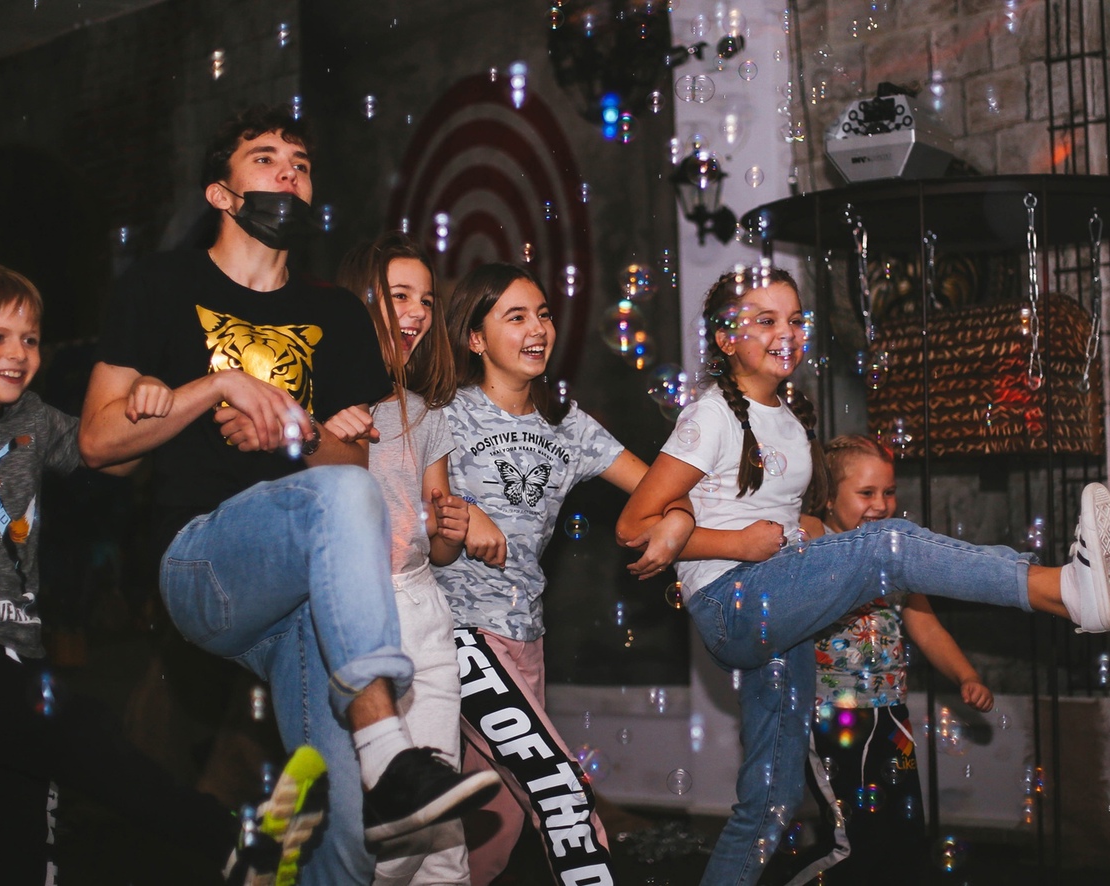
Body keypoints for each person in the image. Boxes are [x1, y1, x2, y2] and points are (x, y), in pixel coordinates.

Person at [77, 105, 497, 886]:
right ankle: (391, 752)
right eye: (265, 158)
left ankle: (374, 779)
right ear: (221, 193)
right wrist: (217, 387)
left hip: (304, 595)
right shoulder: (161, 286)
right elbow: (97, 444)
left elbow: (352, 458)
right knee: (338, 496)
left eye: (300, 164)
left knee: (350, 843)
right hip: (200, 560)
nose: (289, 173)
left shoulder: (333, 314)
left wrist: (290, 435)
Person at [616, 265, 1110, 886]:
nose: (787, 332)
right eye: (765, 320)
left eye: (795, 319)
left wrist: (791, 541)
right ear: (725, 339)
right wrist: (734, 543)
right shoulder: (711, 416)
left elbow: (781, 520)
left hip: (781, 612)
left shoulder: (785, 418)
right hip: (735, 602)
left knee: (772, 800)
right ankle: (1062, 590)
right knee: (889, 543)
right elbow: (634, 524)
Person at [0, 262, 267, 885]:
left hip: (17, 657)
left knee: (20, 849)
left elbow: (112, 457)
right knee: (80, 728)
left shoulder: (34, 420)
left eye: (30, 339)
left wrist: (145, 397)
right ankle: (225, 838)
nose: (19, 352)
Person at [435, 261, 689, 886]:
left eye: (544, 314)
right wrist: (459, 511)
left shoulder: (568, 426)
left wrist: (678, 518)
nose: (538, 329)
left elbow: (660, 488)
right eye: (516, 316)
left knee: (491, 833)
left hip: (526, 637)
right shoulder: (444, 414)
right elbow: (395, 499)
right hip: (459, 634)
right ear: (475, 338)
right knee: (563, 794)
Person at [785, 434, 995, 885]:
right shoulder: (817, 541)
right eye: (866, 492)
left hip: (891, 716)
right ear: (828, 497)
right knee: (852, 842)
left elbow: (927, 626)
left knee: (903, 836)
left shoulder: (895, 558)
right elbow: (797, 521)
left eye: (889, 491)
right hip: (832, 717)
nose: (881, 505)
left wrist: (966, 674)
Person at [337, 231, 474, 885]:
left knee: (444, 829)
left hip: (423, 608)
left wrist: (450, 527)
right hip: (358, 613)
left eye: (426, 299)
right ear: (358, 302)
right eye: (399, 296)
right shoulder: (320, 405)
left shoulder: (421, 412)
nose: (417, 312)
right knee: (401, 822)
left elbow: (438, 546)